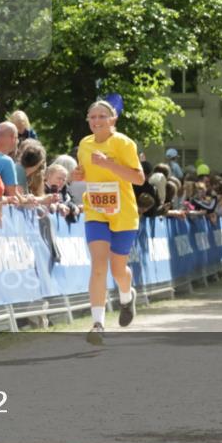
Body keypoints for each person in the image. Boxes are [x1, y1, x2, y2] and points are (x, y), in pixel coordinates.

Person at [71, 100, 144, 345]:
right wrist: (78, 175)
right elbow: (83, 172)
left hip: (123, 213)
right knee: (99, 264)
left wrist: (108, 164)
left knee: (118, 270)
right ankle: (98, 324)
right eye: (92, 117)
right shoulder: (84, 144)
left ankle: (127, 295)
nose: (97, 121)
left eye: (102, 116)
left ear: (113, 119)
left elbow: (138, 178)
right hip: (96, 210)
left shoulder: (123, 143)